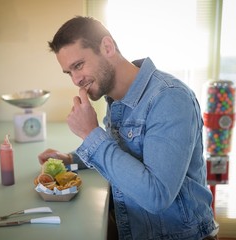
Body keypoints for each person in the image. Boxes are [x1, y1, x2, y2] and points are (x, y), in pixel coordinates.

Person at [38, 16, 218, 240]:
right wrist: (69, 159)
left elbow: (157, 197)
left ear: (107, 47)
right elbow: (121, 154)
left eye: (78, 66)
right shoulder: (116, 101)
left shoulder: (169, 98)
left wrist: (90, 133)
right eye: (69, 72)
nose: (75, 80)